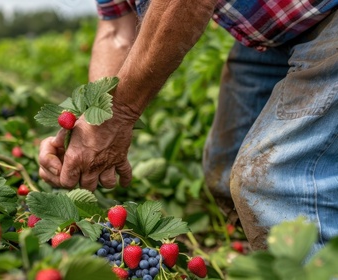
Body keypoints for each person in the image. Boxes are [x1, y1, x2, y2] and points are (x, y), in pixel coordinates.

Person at [39, 0, 338, 257]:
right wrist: (91, 123)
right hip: (279, 26)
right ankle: (267, 257)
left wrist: (118, 114)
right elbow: (116, 30)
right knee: (224, 168)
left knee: (274, 182)